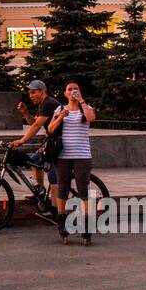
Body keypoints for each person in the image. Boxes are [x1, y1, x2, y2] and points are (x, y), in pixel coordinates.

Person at [47, 82, 97, 244]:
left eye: (76, 88)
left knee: (83, 188)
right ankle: (62, 221)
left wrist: (81, 100)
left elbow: (91, 118)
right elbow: (50, 129)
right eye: (70, 89)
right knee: (63, 187)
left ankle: (87, 227)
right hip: (63, 155)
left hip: (82, 155)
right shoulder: (60, 109)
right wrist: (61, 117)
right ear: (65, 93)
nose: (73, 91)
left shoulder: (85, 107)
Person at [10, 79, 61, 202]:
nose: (31, 96)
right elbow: (33, 122)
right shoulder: (43, 104)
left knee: (53, 178)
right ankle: (40, 191)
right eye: (29, 93)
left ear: (42, 91)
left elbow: (37, 126)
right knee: (34, 161)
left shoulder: (49, 103)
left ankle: (56, 211)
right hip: (51, 142)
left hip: (58, 143)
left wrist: (22, 140)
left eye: (33, 92)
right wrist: (26, 112)